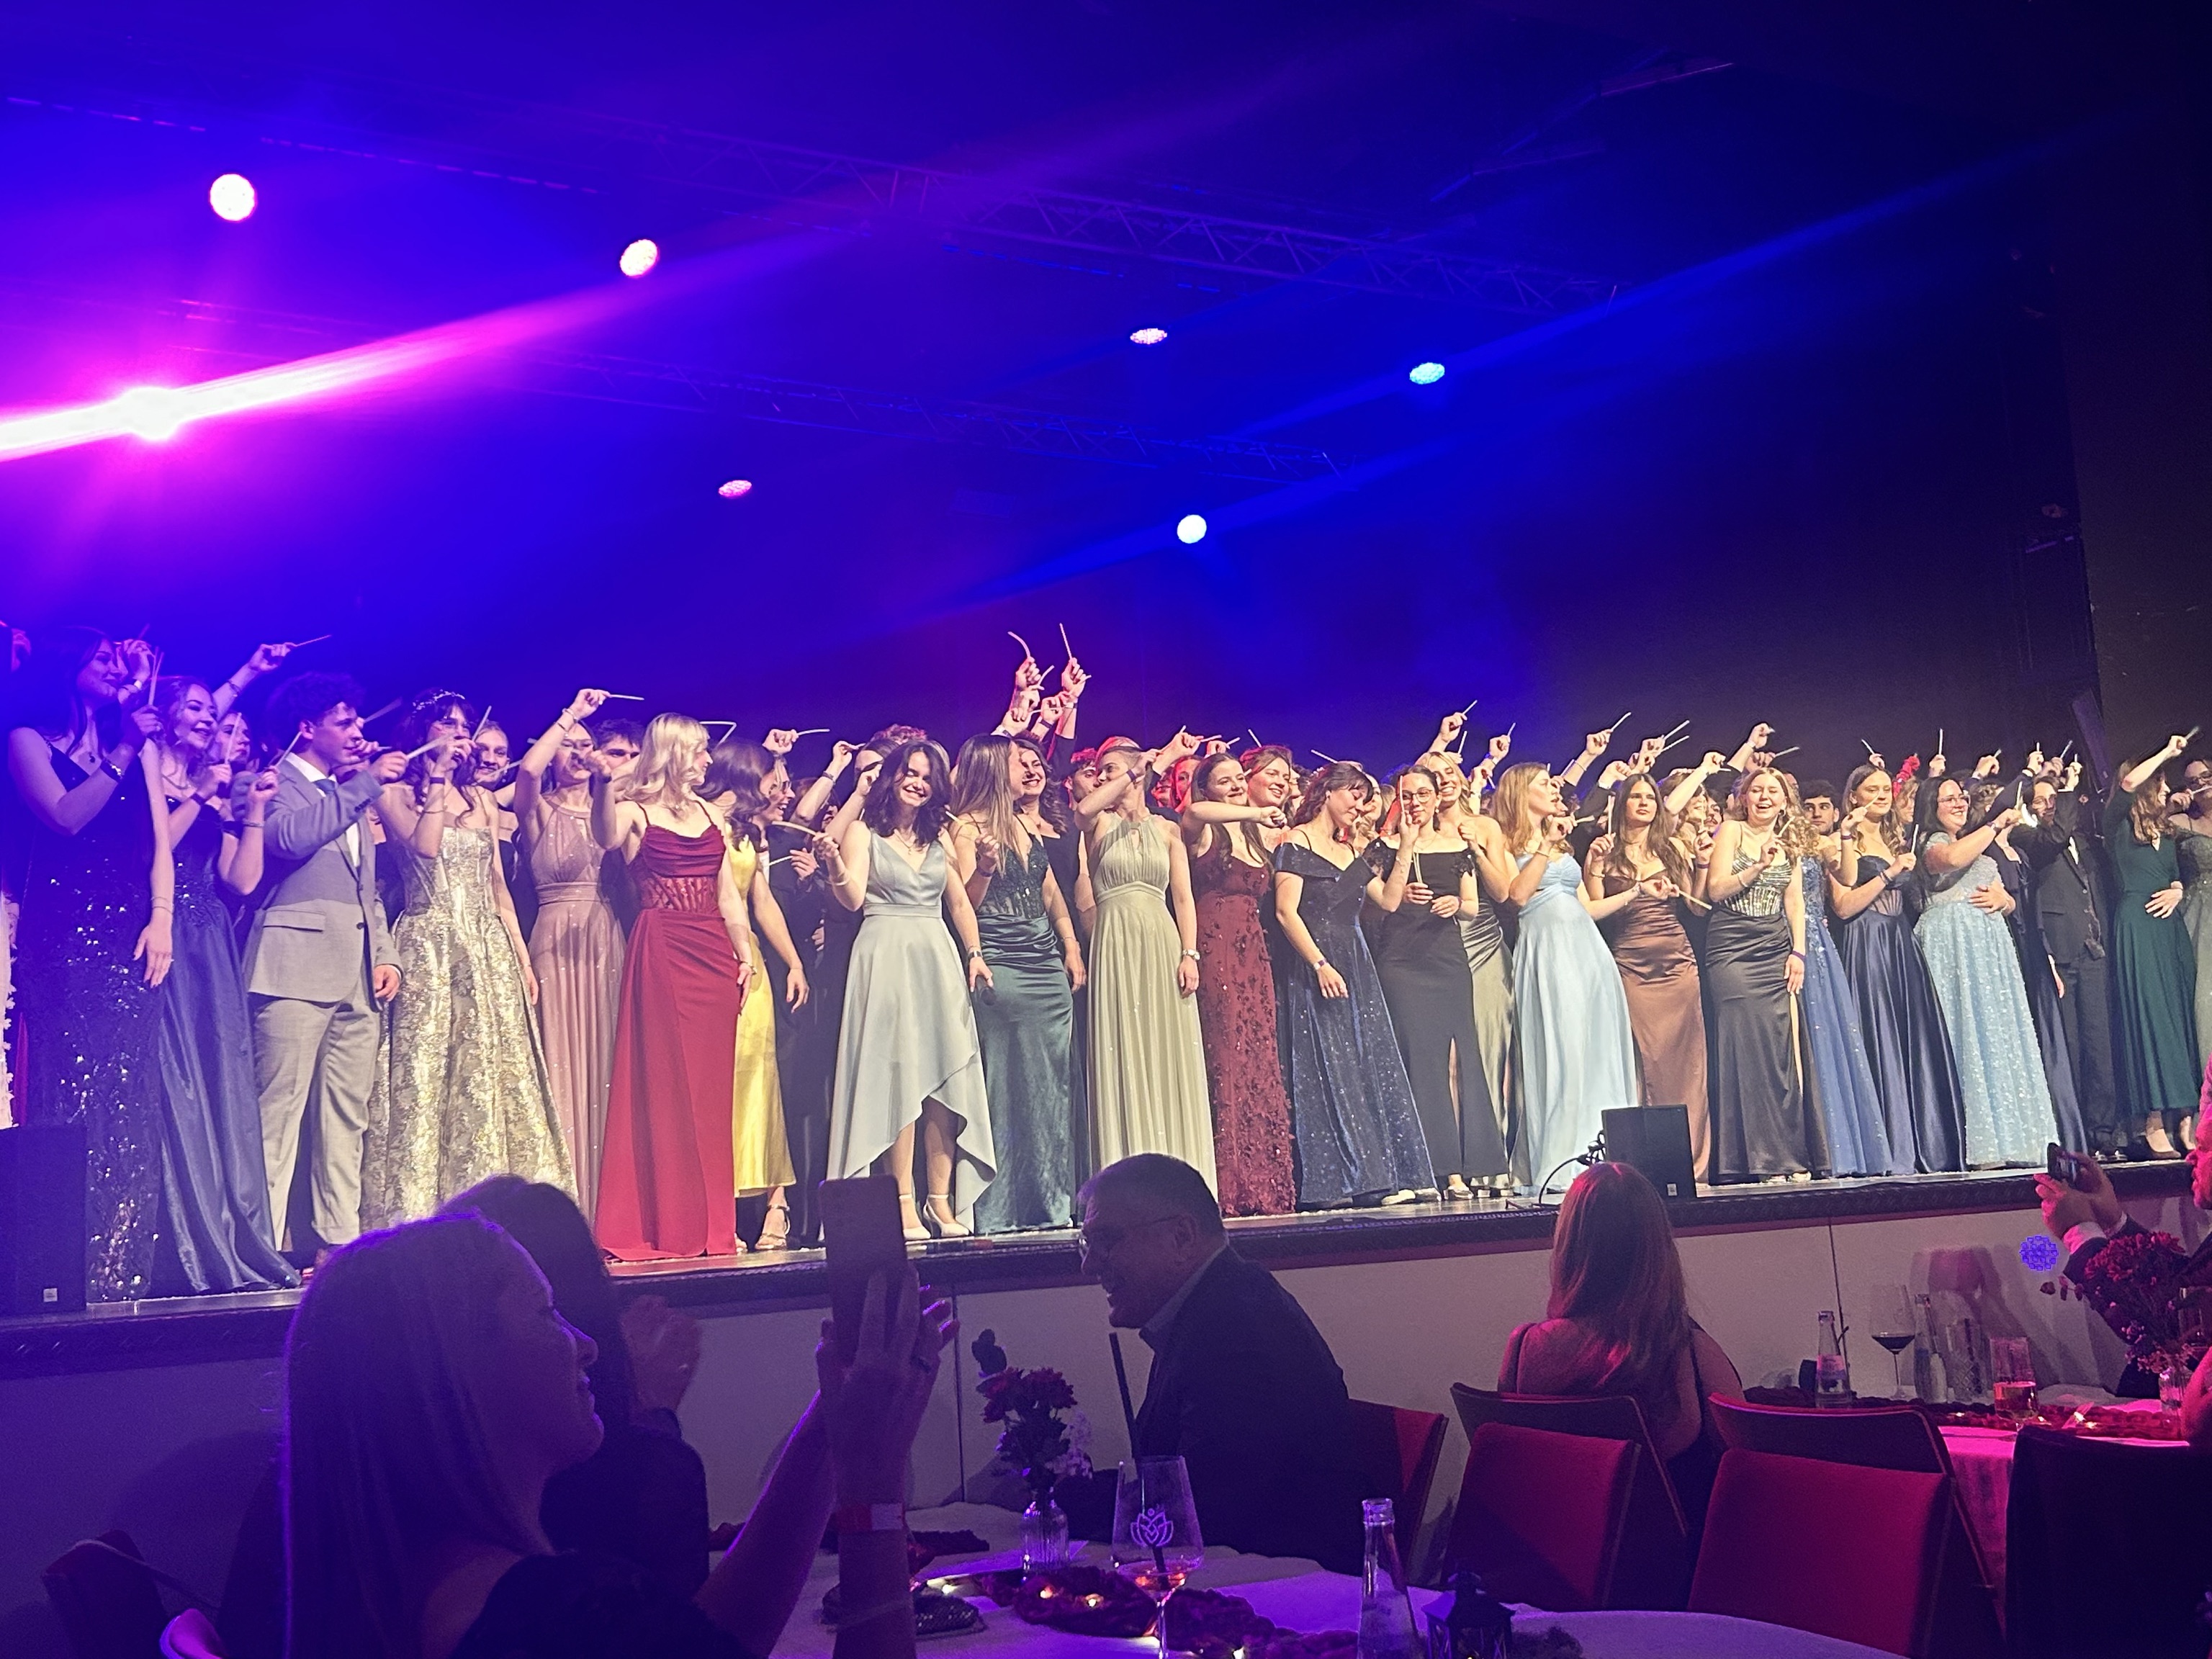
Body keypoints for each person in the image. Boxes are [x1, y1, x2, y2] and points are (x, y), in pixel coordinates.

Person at [281, 1208, 952, 1659]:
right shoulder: (556, 1616)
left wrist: (834, 1428)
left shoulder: (383, 1590)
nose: (588, 1346)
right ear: (459, 1373)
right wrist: (873, 1489)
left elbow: (713, 1644)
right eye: (547, 1314)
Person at [1079, 1154, 1364, 1573]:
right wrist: (1059, 1488)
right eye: (1087, 1244)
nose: (1089, 1265)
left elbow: (1198, 1512)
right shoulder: (1214, 1305)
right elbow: (1171, 1483)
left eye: (1107, 1240)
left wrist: (1057, 1503)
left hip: (1281, 1594)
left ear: (1181, 1237)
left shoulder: (1237, 1332)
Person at [6, 627, 175, 1299]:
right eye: (100, 658)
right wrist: (126, 747)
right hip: (61, 939)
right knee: (73, 1091)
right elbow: (65, 815)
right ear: (66, 667)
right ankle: (65, 1270)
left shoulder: (136, 745)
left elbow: (160, 841)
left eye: (115, 659)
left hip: (129, 934)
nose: (113, 667)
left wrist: (162, 917)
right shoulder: (27, 739)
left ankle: (122, 1268)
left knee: (129, 1096)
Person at [444, 1178, 714, 1596]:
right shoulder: (630, 1475)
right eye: (545, 1313)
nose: (586, 1347)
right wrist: (651, 1423)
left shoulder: (421, 1483)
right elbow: (687, 1625)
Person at [362, 695, 568, 1228]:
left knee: (489, 1073)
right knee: (428, 1073)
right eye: (447, 723)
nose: (459, 732)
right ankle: (419, 1212)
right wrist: (435, 778)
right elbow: (426, 848)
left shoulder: (481, 798)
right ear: (423, 731)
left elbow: (497, 887)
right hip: (428, 943)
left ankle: (501, 1210)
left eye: (463, 724)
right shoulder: (393, 792)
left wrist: (521, 957)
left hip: (486, 946)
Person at [243, 671, 408, 1254]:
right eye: (345, 721)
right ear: (307, 728)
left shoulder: (347, 792)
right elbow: (288, 839)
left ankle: (341, 1245)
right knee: (278, 1113)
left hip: (357, 975)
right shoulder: (270, 781)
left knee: (347, 1117)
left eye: (358, 720)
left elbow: (368, 888)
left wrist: (384, 953)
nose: (358, 730)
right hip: (293, 969)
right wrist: (364, 783)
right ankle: (263, 1248)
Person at [149, 675, 297, 1292]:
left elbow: (240, 880)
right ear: (166, 716)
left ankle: (231, 1232)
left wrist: (252, 810)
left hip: (209, 938)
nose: (209, 719)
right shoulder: (154, 776)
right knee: (178, 1079)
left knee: (218, 1077)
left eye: (213, 710)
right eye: (196, 708)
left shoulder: (211, 786)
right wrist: (200, 795)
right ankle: (184, 1238)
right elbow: (152, 847)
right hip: (164, 928)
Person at [1499, 1161, 1745, 1532]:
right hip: (1676, 1563)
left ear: (1569, 1245)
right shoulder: (1690, 1352)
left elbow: (1506, 1470)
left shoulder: (1523, 1350)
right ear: (1658, 1248)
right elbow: (1752, 1470)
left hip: (1556, 1554)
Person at [593, 714, 752, 1259]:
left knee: (711, 1095)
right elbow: (604, 836)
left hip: (712, 952)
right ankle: (671, 1224)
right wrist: (602, 783)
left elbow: (727, 895)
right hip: (662, 948)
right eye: (700, 750)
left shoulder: (711, 814)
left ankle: (715, 1225)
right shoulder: (634, 812)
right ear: (674, 752)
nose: (708, 760)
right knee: (665, 1088)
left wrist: (745, 953)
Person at [824, 737, 996, 1239]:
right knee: (897, 1079)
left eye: (927, 777)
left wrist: (974, 952)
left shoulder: (939, 835)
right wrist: (834, 865)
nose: (918, 783)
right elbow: (852, 898)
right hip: (885, 953)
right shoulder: (863, 830)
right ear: (893, 775)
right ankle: (900, 1202)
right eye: (911, 773)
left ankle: (939, 1202)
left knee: (945, 1078)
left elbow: (960, 903)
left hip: (935, 955)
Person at [1274, 761, 1434, 1206]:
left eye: (1364, 799)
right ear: (1328, 792)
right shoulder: (1297, 841)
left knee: (1366, 1062)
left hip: (1356, 962)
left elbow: (1388, 900)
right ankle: (1344, 1180)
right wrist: (1319, 964)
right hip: (1317, 963)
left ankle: (1381, 1173)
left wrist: (1406, 846)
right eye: (1353, 795)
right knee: (1329, 1064)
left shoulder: (1349, 850)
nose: (1360, 806)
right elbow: (1286, 912)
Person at [948, 734, 1083, 1233]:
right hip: (1001, 961)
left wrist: (1071, 946)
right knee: (1005, 1083)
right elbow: (965, 903)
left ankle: (1049, 1200)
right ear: (991, 769)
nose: (1027, 768)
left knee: (1051, 1086)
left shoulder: (1025, 824)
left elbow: (1050, 893)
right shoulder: (965, 828)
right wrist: (985, 867)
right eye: (1015, 761)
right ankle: (1001, 1205)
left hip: (1045, 963)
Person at [1488, 763, 1637, 1197]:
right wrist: (1544, 847)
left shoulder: (1562, 844)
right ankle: (1562, 1159)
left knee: (1596, 1049)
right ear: (1521, 792)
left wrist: (1635, 891)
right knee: (1562, 1049)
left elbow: (1585, 906)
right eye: (1543, 784)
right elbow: (1517, 896)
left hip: (1587, 951)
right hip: (1547, 953)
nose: (1554, 790)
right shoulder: (1506, 840)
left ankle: (1606, 1157)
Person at [1074, 737, 1215, 1190]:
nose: (1102, 777)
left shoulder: (1167, 829)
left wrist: (1189, 954)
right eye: (1100, 772)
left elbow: (1183, 899)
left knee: (1167, 1046)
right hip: (1115, 940)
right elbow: (1083, 810)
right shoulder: (1098, 822)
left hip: (1160, 938)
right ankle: (1127, 1181)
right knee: (1123, 1044)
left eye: (1111, 769)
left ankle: (1181, 1174)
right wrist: (1135, 771)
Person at [1366, 763, 1508, 1196]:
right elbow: (1382, 905)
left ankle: (1461, 1168)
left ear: (1436, 798)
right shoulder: (1382, 848)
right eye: (1407, 795)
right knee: (1416, 1059)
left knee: (1454, 1060)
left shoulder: (1458, 846)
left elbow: (1472, 905)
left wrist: (1454, 904)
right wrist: (1405, 851)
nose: (1415, 803)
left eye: (1422, 795)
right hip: (1401, 962)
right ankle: (1425, 1168)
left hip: (1446, 961)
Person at [514, 691, 627, 1221]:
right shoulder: (539, 809)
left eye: (587, 745)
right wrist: (570, 717)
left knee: (608, 1065)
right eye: (570, 746)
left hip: (605, 935)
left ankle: (611, 1207)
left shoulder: (615, 808)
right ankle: (565, 1207)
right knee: (561, 1064)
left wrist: (608, 774)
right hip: (555, 939)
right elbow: (528, 771)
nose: (579, 753)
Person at [1910, 778, 2056, 1167]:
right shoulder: (1929, 843)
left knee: (1998, 1032)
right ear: (1932, 806)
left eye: (1962, 797)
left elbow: (2005, 897)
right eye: (1949, 799)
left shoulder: (1979, 846)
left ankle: (2018, 1138)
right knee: (1967, 1032)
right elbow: (1952, 860)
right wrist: (1993, 824)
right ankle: (1981, 1142)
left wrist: (2005, 900)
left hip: (1990, 951)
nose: (1959, 803)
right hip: (1953, 945)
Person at [1830, 765, 1966, 1173]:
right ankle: (1891, 1146)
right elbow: (1844, 907)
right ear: (1853, 796)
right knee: (1881, 1037)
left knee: (1912, 1036)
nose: (1880, 795)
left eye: (1885, 789)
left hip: (1900, 941)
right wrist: (1889, 874)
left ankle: (1927, 1141)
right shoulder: (1841, 840)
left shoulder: (1895, 838)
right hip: (1867, 941)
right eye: (1870, 789)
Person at [1179, 751, 1297, 1215]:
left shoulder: (1255, 833)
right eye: (1223, 780)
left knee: (1257, 1055)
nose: (1233, 786)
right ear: (1207, 787)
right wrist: (1253, 812)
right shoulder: (1205, 828)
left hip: (1254, 952)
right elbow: (1193, 812)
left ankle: (1265, 1180)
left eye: (1238, 779)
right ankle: (1228, 1182)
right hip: (1216, 948)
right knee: (1226, 1053)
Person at [705, 738, 809, 1250]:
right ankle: (716, 1208)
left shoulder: (753, 833)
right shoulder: (701, 822)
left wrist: (793, 961)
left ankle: (776, 1203)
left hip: (754, 966)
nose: (777, 787)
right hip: (707, 956)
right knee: (716, 1085)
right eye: (771, 776)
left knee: (760, 1080)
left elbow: (761, 901)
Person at [1582, 773, 1709, 1179]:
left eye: (1650, 798)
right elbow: (1595, 910)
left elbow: (1698, 906)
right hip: (1630, 962)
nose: (1644, 804)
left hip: (1677, 962)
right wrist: (1600, 870)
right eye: (1636, 797)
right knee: (1643, 1060)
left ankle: (1690, 1160)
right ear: (1622, 805)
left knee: (1686, 1062)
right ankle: (1644, 1160)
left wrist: (1702, 864)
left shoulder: (1671, 849)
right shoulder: (1605, 850)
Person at [1701, 768, 1825, 1182]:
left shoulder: (1789, 843)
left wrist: (1798, 952)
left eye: (1774, 791)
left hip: (1773, 948)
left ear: (1785, 801)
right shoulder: (1731, 831)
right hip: (1732, 948)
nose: (1765, 797)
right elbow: (1716, 890)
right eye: (1757, 790)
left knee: (1778, 1053)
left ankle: (1787, 1155)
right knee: (1745, 1049)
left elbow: (1795, 904)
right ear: (1744, 797)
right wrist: (1756, 866)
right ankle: (1753, 1159)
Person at [1786, 775, 1899, 1179]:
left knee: (1831, 1037)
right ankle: (1811, 1147)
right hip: (1784, 939)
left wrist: (1847, 835)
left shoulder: (1822, 843)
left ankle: (1843, 1148)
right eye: (1808, 807)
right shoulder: (1782, 842)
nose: (1815, 814)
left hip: (1819, 944)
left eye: (1824, 807)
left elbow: (1848, 878)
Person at [2105, 737, 2201, 1156]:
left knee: (2178, 1015)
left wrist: (2178, 889)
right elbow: (2128, 783)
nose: (2166, 790)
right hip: (2138, 927)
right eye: (2160, 784)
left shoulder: (2166, 832)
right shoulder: (2117, 825)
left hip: (2169, 931)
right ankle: (2153, 1120)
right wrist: (2164, 752)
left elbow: (2175, 876)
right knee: (2150, 1019)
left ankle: (2185, 1116)